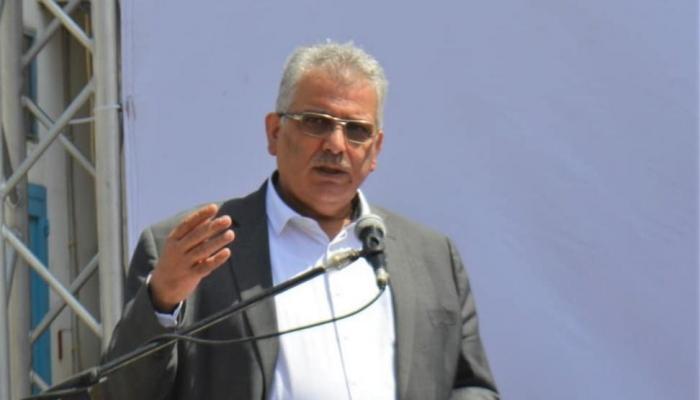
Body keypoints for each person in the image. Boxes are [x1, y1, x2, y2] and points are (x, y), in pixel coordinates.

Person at [105, 41, 499, 400]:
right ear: (275, 132)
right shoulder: (194, 249)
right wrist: (163, 299)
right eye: (316, 121)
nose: (336, 145)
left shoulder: (431, 257)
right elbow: (123, 393)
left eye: (357, 130)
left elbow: (471, 387)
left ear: (375, 149)